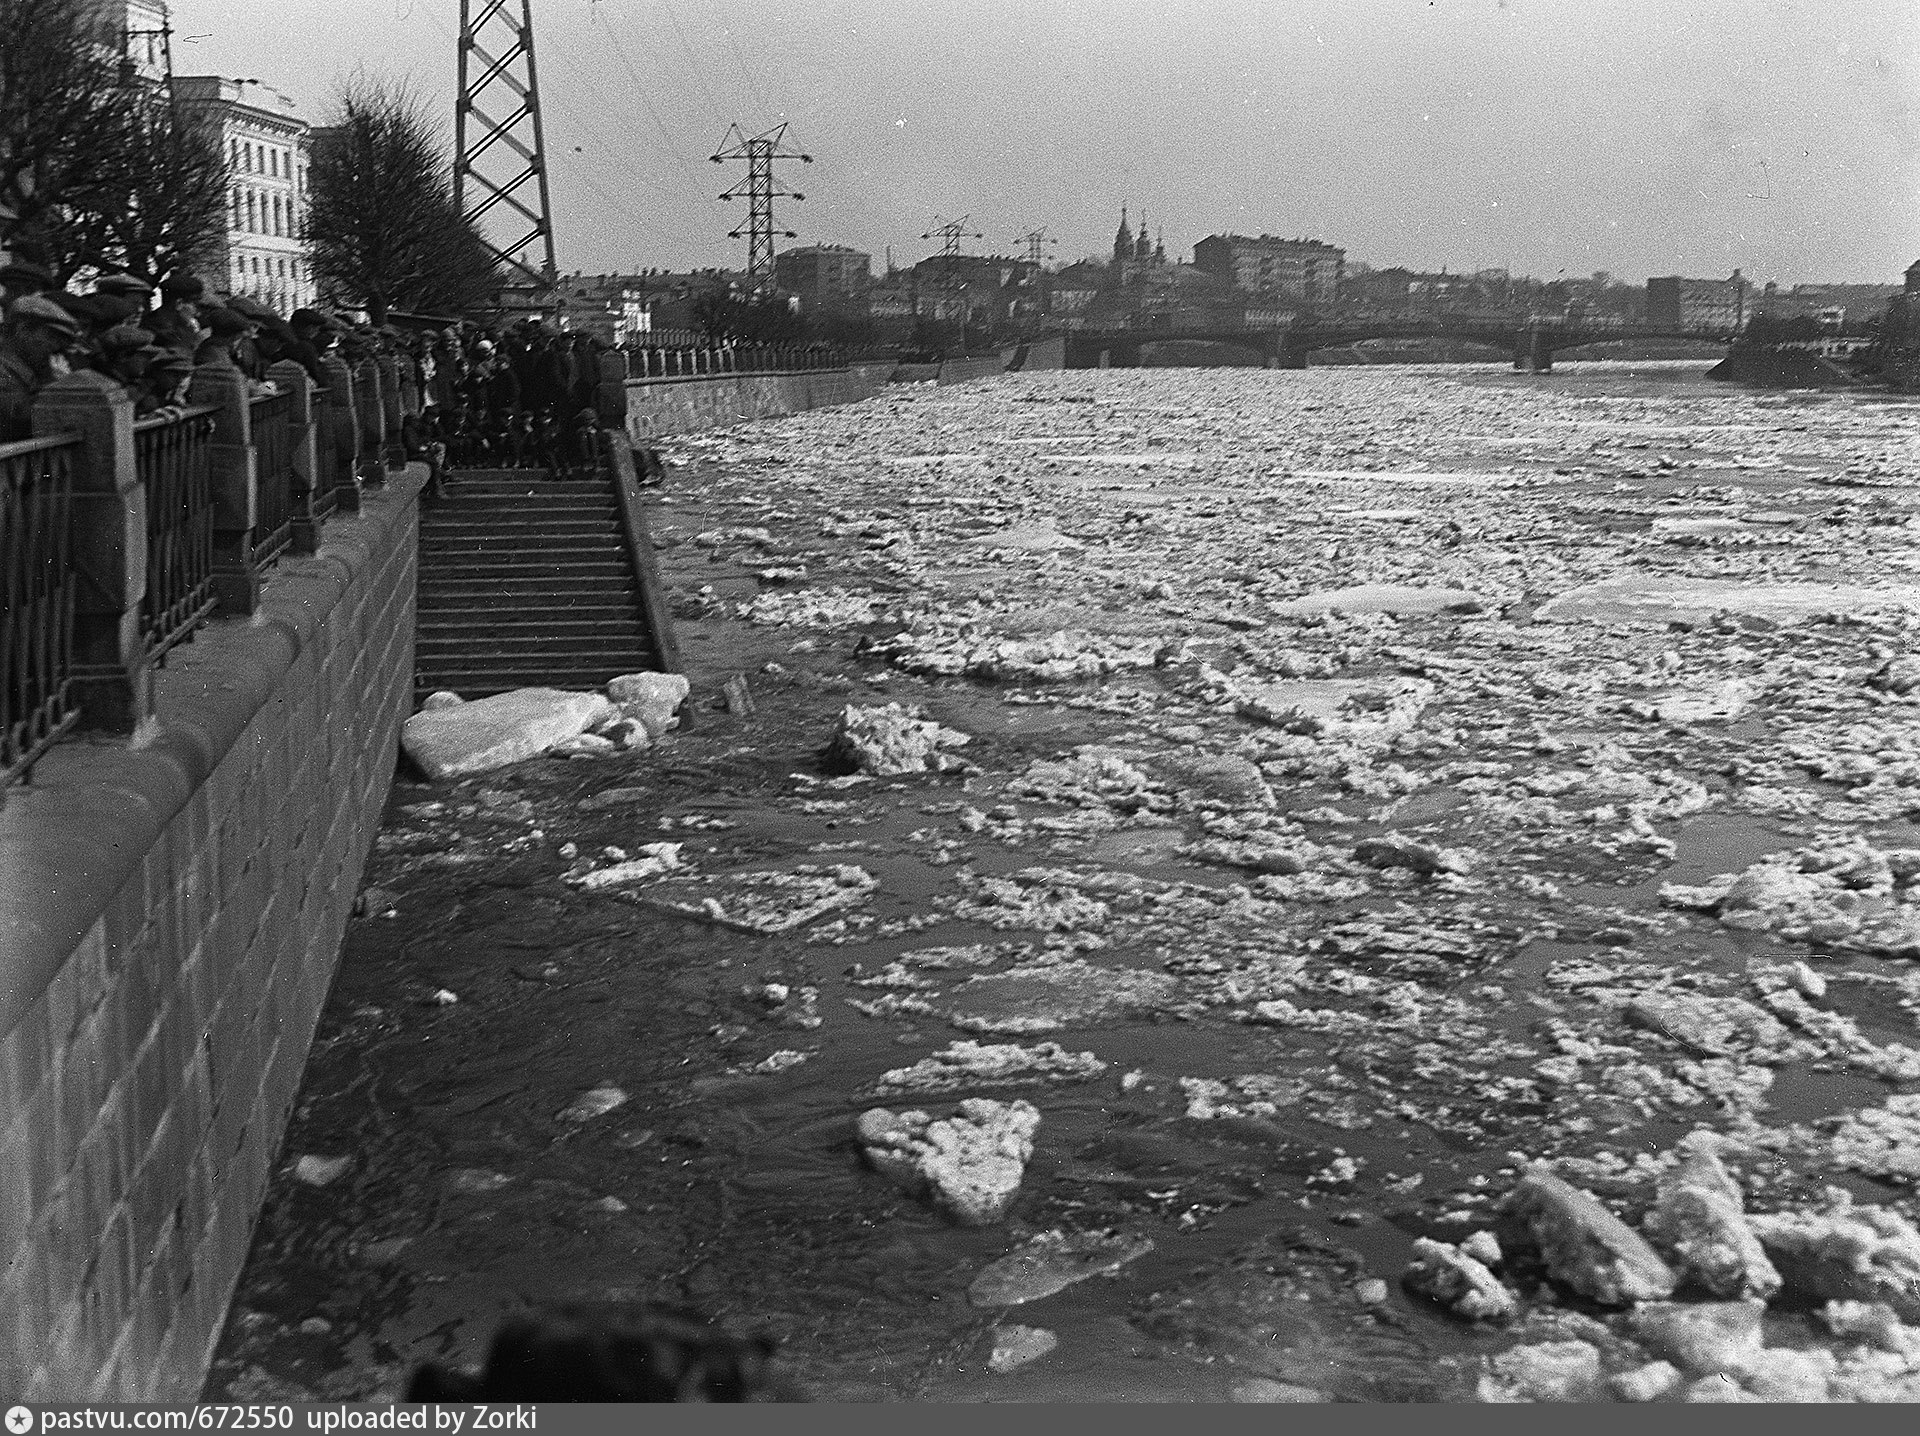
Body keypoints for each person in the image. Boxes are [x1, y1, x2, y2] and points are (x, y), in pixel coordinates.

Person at [0, 294, 85, 440]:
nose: (56, 347)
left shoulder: (30, 372)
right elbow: (19, 422)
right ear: (23, 329)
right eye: (51, 337)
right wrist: (57, 386)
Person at [148, 273, 206, 358]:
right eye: (195, 304)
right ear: (179, 303)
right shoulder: (163, 332)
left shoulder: (154, 322)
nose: (198, 312)